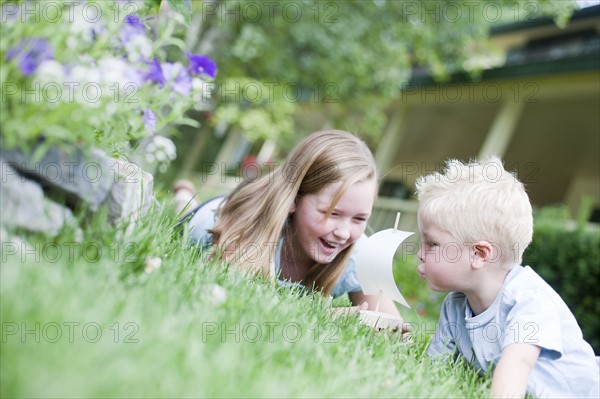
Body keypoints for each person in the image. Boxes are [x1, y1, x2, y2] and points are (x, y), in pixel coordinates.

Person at [415, 156, 600, 398]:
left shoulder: (528, 300)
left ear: (480, 254)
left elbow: (517, 365)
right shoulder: (455, 304)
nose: (419, 254)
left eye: (431, 244)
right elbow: (433, 368)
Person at [174, 129, 401, 317]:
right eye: (331, 213)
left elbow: (393, 328)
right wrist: (329, 316)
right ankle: (184, 194)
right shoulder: (244, 227)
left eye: (359, 218)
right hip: (212, 212)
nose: (343, 233)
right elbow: (241, 303)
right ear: (294, 199)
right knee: (184, 208)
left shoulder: (359, 254)